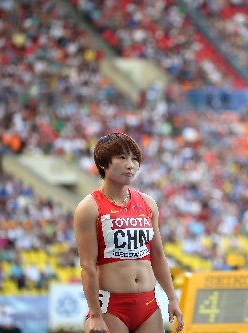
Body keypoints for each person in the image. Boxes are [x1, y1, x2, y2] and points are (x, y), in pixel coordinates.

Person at [73, 133, 184, 333]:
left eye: (134, 159)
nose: (130, 164)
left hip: (148, 304)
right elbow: (87, 266)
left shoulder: (148, 203)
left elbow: (157, 255)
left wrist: (172, 298)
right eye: (122, 157)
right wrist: (95, 314)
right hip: (112, 307)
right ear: (104, 164)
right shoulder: (89, 208)